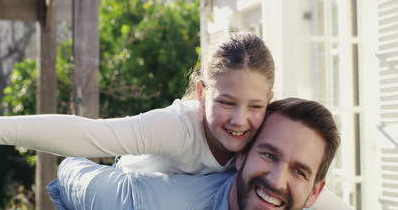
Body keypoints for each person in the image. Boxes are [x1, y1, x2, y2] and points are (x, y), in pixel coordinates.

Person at [0, 33, 274, 175]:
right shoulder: (178, 128)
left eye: (256, 106)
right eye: (227, 102)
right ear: (201, 93)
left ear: (269, 102)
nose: (240, 120)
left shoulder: (272, 132)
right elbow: (91, 135)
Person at [46, 98, 344, 210]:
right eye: (268, 155)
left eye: (300, 172)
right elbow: (71, 172)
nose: (277, 181)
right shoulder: (149, 203)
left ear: (314, 193)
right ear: (241, 155)